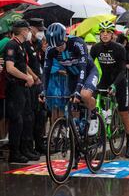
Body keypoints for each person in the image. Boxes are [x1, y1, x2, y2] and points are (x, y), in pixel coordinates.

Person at [41, 23, 99, 137]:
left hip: (88, 72)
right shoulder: (50, 50)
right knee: (71, 103)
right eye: (55, 47)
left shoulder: (78, 43)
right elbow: (46, 72)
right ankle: (77, 133)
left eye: (60, 45)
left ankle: (94, 116)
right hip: (72, 76)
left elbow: (83, 69)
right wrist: (44, 91)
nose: (58, 49)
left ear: (65, 37)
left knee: (84, 95)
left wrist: (78, 90)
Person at [90, 21, 129, 158]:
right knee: (97, 107)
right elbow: (90, 67)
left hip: (119, 82)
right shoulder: (95, 48)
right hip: (104, 81)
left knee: (124, 113)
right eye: (102, 32)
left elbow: (122, 71)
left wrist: (114, 85)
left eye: (107, 32)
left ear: (112, 34)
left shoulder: (119, 48)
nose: (104, 35)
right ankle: (99, 133)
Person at [4, 20, 38, 163]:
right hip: (15, 86)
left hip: (24, 86)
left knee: (27, 118)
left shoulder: (21, 45)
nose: (29, 32)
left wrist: (33, 76)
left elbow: (23, 65)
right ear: (23, 31)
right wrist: (26, 77)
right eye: (28, 29)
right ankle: (14, 153)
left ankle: (25, 149)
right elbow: (10, 68)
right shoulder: (11, 45)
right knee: (17, 120)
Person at [25, 18, 47, 155]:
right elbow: (24, 64)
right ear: (31, 29)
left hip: (40, 83)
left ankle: (40, 144)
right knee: (30, 116)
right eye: (38, 30)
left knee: (42, 115)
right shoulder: (25, 44)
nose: (40, 33)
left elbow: (41, 61)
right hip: (31, 84)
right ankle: (29, 146)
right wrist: (34, 76)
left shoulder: (39, 43)